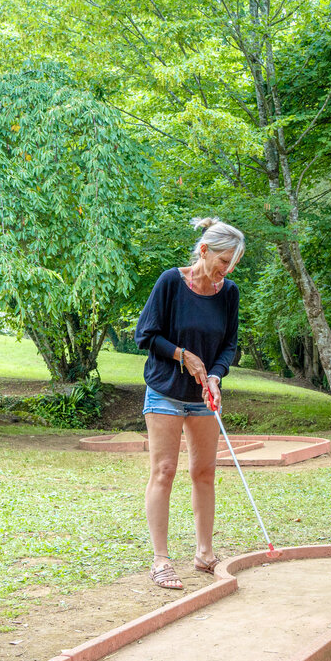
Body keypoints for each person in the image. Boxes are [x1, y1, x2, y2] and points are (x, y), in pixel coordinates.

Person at [134, 217, 244, 590]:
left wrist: (214, 374)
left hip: (203, 398)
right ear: (204, 251)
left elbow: (229, 344)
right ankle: (161, 560)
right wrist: (183, 355)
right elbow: (145, 335)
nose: (226, 270)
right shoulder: (170, 282)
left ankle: (204, 553)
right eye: (223, 261)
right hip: (165, 390)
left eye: (232, 264)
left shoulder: (229, 293)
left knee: (205, 472)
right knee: (164, 470)